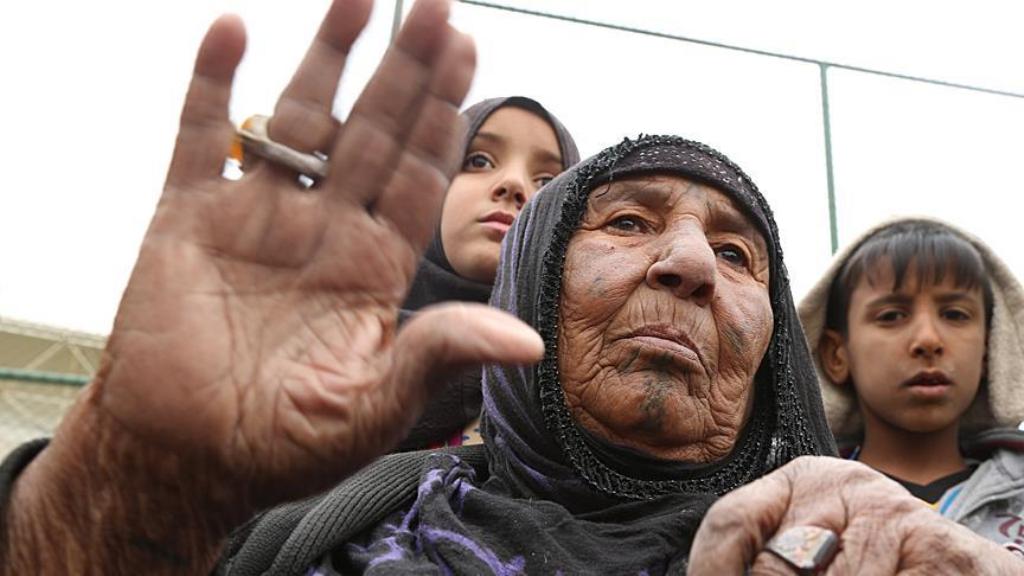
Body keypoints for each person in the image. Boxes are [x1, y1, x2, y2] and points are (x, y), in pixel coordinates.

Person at [1, 1, 1020, 574]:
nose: (691, 266)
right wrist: (126, 479)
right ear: (526, 285)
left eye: (741, 254)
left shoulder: (853, 552)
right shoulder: (328, 529)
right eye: (625, 222)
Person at [799, 217, 1024, 557]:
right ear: (836, 355)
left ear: (989, 352)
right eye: (891, 315)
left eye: (955, 314)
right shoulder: (796, 506)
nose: (928, 340)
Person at [397, 96, 579, 451]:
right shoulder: (316, 333)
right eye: (478, 161)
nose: (513, 185)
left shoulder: (579, 407)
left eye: (546, 181)